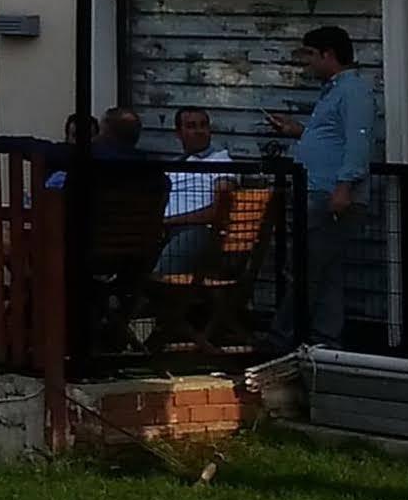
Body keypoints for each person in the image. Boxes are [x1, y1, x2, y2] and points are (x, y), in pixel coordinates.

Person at [265, 25, 375, 344]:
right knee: (326, 273)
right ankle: (326, 339)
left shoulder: (353, 91)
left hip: (330, 194)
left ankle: (281, 336)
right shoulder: (334, 91)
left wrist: (344, 186)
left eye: (312, 55)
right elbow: (335, 138)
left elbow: (359, 140)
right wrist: (299, 132)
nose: (308, 63)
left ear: (328, 54)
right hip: (319, 191)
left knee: (305, 268)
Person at [154, 106, 240, 275]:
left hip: (199, 230)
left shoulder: (220, 161)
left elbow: (219, 211)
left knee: (163, 273)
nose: (199, 131)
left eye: (203, 125)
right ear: (179, 133)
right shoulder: (173, 166)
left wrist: (171, 221)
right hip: (161, 229)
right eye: (192, 126)